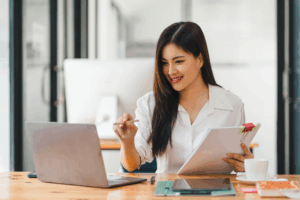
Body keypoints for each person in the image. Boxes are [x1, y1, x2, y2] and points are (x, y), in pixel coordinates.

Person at [112, 22, 253, 173]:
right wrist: (127, 142)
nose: (170, 71)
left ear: (200, 59)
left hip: (216, 194)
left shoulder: (232, 106)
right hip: (168, 194)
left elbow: (239, 165)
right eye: (164, 63)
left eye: (178, 61)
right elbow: (131, 165)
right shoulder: (151, 104)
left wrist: (247, 167)